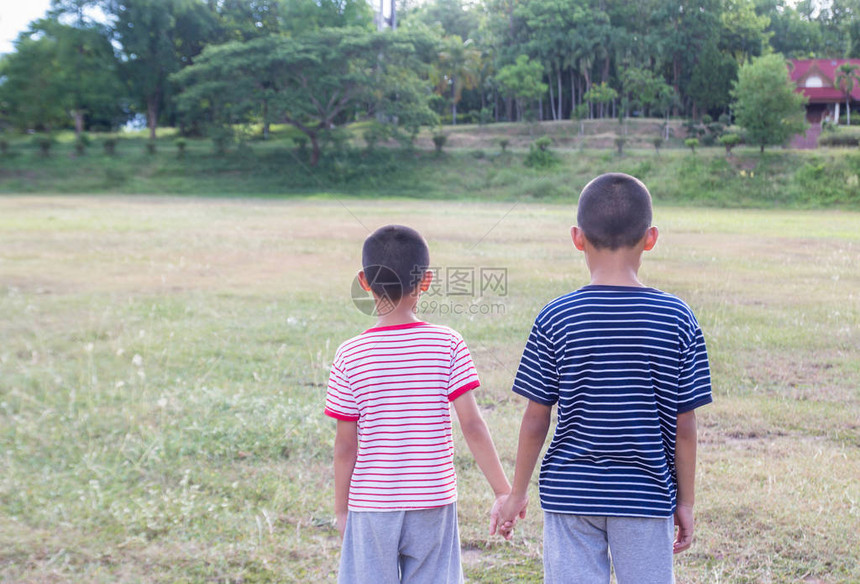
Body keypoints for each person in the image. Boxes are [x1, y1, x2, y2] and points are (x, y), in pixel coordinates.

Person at [491, 173, 713, 584]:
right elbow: (685, 426)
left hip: (570, 494)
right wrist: (686, 500)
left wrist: (517, 492)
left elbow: (535, 419)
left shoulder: (555, 317)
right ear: (650, 238)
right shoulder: (677, 319)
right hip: (646, 496)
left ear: (577, 238)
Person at [325, 224, 510, 584]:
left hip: (370, 506)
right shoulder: (448, 344)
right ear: (425, 282)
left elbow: (346, 444)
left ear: (364, 282)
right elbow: (473, 425)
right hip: (433, 501)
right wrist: (503, 490)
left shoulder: (349, 355)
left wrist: (341, 510)